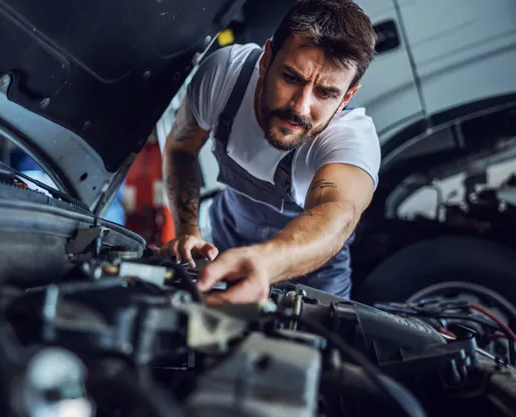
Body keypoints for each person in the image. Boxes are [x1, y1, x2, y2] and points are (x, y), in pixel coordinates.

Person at [160, 0, 381, 304]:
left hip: (314, 275)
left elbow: (336, 213)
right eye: (291, 78)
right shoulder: (225, 75)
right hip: (226, 241)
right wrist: (188, 230)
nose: (300, 107)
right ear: (265, 61)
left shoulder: (351, 139)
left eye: (326, 93)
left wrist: (263, 263)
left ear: (347, 97)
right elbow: (181, 149)